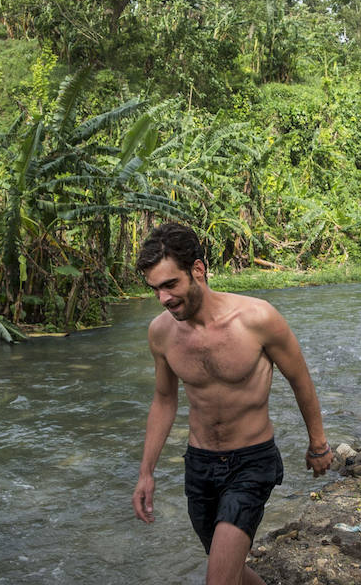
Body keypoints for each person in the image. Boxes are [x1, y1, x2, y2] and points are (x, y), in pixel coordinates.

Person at [131, 223, 333, 585]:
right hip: (200, 467)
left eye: (170, 284)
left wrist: (318, 443)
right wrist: (146, 472)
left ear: (197, 270)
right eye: (156, 290)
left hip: (251, 462)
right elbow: (164, 400)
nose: (163, 298)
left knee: (219, 580)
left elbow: (300, 378)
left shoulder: (258, 319)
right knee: (229, 570)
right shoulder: (161, 332)